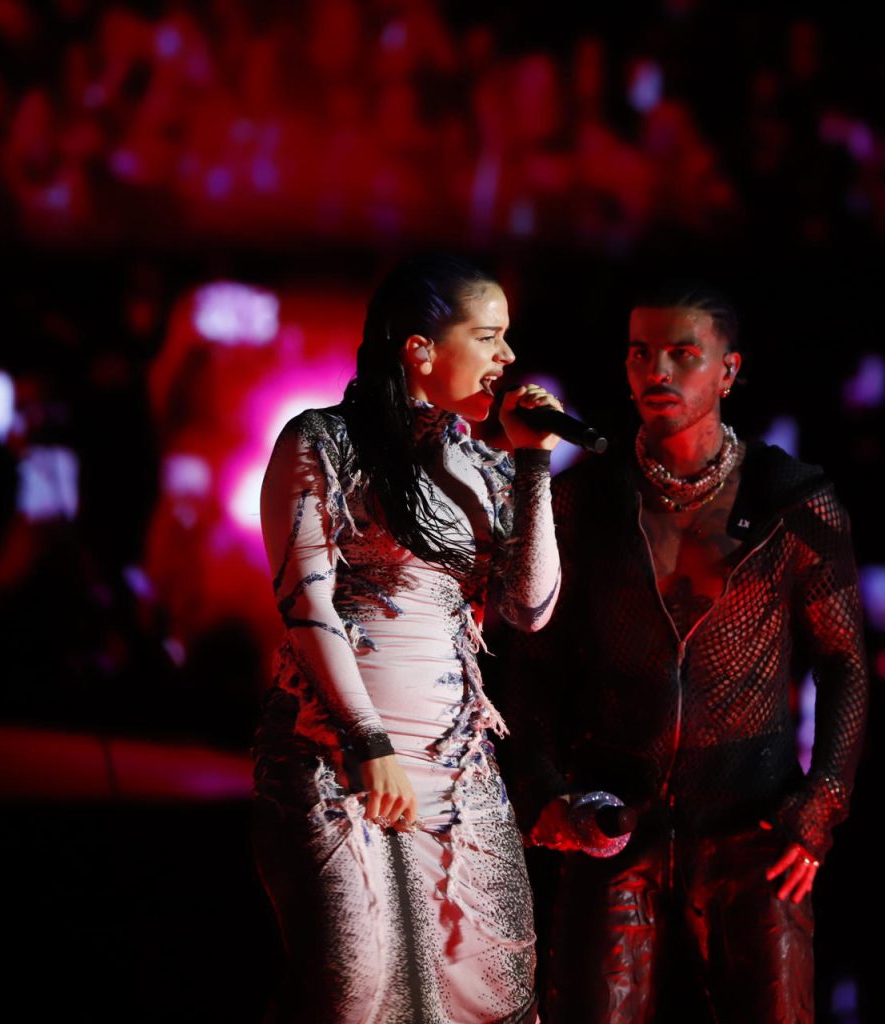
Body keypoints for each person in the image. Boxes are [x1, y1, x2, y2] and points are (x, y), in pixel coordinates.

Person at [503, 282, 869, 1023]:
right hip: (612, 823)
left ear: (728, 371)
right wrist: (545, 794)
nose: (656, 372)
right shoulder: (586, 501)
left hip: (752, 826)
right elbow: (527, 664)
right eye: (640, 353)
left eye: (682, 355)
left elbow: (845, 662)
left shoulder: (792, 499)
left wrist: (821, 802)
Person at [252, 254, 564, 1024]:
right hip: (333, 759)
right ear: (420, 349)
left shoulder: (484, 468)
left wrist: (532, 465)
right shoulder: (320, 442)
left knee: (489, 993)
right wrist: (367, 740)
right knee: (354, 992)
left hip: (456, 772)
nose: (508, 359)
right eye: (489, 337)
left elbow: (530, 609)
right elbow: (306, 602)